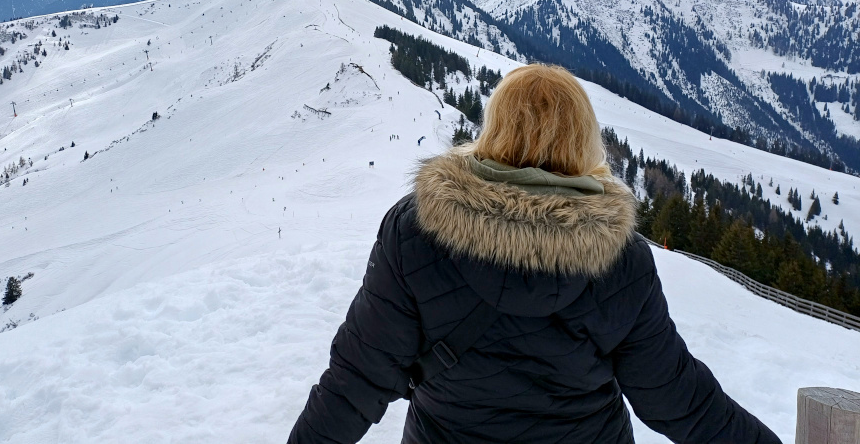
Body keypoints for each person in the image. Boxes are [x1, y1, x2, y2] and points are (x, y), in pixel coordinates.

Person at [287, 64, 780, 443]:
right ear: (583, 139)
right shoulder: (618, 257)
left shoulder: (416, 232)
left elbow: (355, 381)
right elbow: (679, 400)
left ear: (494, 129)